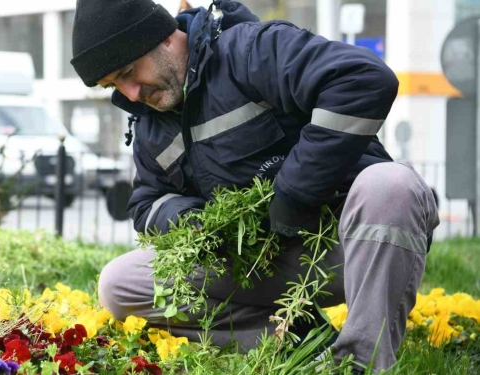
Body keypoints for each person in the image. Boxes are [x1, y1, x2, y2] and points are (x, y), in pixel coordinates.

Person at [69, 0, 439, 372]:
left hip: (347, 247)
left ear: (163, 37)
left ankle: (360, 363)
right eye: (113, 85)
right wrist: (198, 222)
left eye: (129, 72)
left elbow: (364, 80)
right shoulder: (150, 124)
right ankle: (303, 341)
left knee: (391, 185)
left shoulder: (251, 50)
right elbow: (146, 203)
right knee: (119, 283)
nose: (131, 93)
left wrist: (295, 192)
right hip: (256, 265)